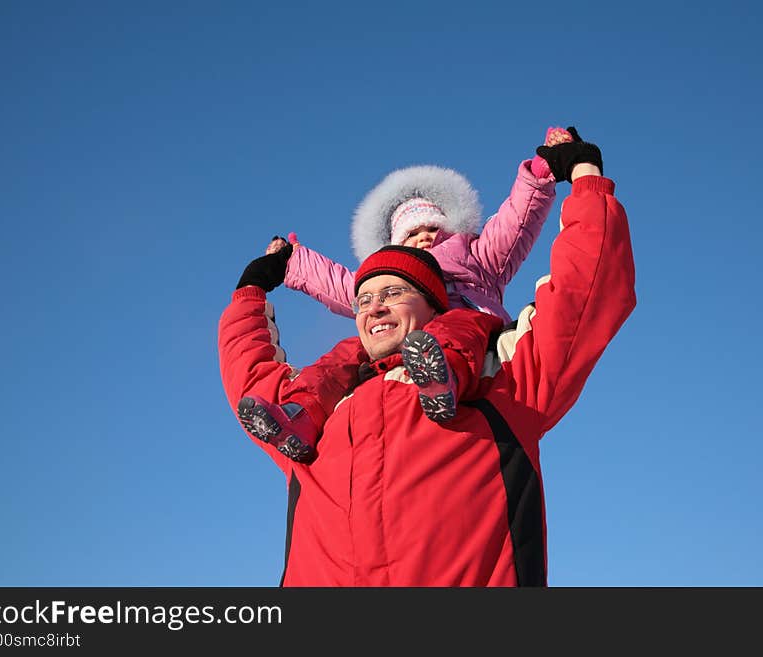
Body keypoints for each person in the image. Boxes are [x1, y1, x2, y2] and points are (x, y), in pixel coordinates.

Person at [217, 130, 637, 586]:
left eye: (394, 293)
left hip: (465, 352)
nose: (375, 306)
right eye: (367, 300)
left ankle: (442, 377)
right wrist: (272, 275)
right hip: (374, 381)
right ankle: (301, 407)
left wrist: (559, 175)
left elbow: (561, 269)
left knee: (458, 332)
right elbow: (266, 360)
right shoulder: (322, 429)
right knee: (336, 362)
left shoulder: (503, 372)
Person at [235, 127, 575, 462]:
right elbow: (341, 286)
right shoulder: (392, 275)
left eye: (433, 228)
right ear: (397, 242)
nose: (426, 237)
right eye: (414, 232)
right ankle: (300, 412)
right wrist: (292, 261)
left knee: (455, 324)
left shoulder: (475, 256)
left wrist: (539, 173)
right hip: (401, 344)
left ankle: (442, 379)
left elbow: (515, 223)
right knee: (346, 354)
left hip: (467, 338)